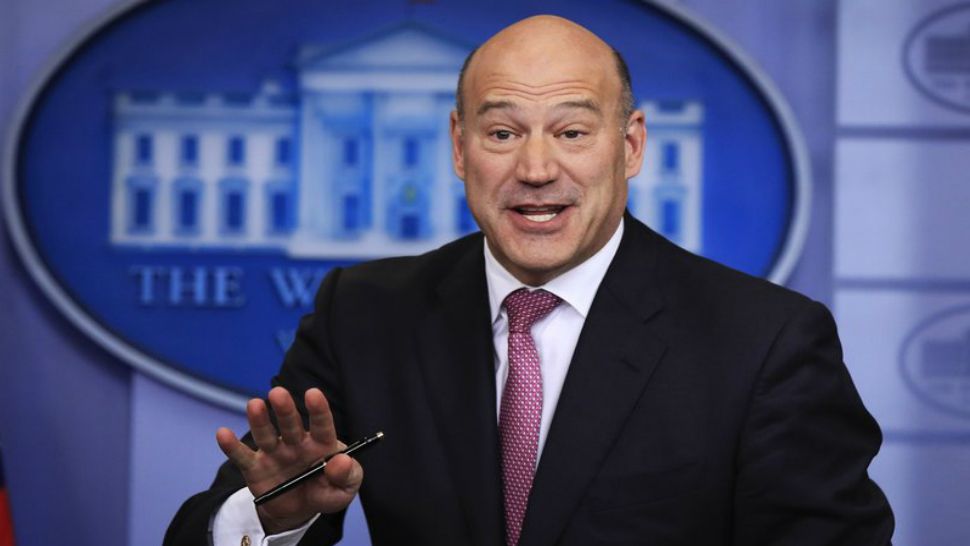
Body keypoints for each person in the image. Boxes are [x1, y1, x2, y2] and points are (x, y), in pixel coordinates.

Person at [165, 14, 894, 546]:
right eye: (503, 132)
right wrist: (275, 515)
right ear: (459, 147)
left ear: (631, 145)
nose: (537, 169)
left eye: (572, 132)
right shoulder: (364, 313)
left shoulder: (764, 341)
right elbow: (228, 518)